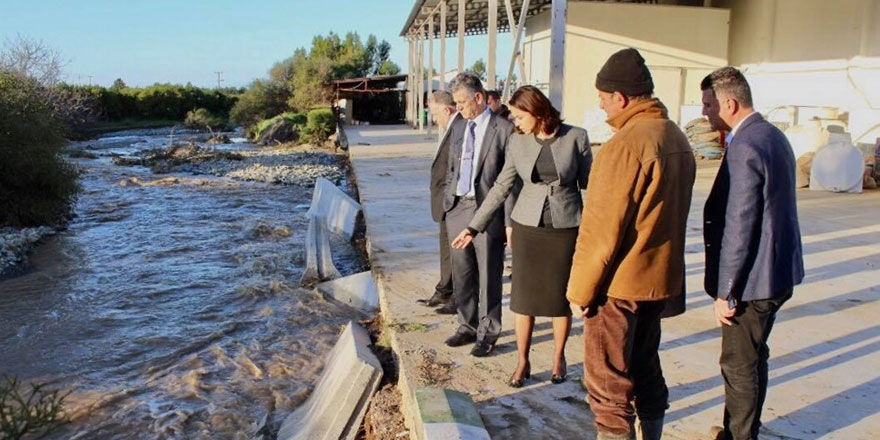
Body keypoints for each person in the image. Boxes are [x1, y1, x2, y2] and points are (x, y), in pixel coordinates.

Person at [566, 48, 695, 440]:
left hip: (618, 288)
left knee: (609, 387)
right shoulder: (674, 136)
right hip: (656, 281)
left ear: (620, 98)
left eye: (603, 99)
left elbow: (601, 231)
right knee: (645, 369)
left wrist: (581, 290)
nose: (602, 108)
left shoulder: (624, 146)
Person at [451, 85, 591, 387]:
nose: (515, 122)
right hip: (527, 226)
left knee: (559, 297)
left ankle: (558, 358)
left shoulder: (576, 137)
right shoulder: (517, 142)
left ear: (536, 111)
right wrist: (473, 226)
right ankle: (523, 361)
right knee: (523, 298)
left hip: (565, 227)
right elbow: (501, 187)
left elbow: (589, 185)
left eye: (518, 116)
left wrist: (594, 231)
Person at [701, 67, 804, 440]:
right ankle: (740, 429)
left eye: (709, 105)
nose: (706, 113)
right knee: (755, 356)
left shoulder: (744, 146)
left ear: (729, 103)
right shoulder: (772, 135)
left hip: (752, 280)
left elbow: (740, 224)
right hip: (777, 272)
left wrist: (726, 290)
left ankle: (739, 435)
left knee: (738, 364)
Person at [441, 72, 515, 357]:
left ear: (479, 98)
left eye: (462, 102)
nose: (458, 108)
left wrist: (508, 221)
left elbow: (510, 181)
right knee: (463, 272)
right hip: (458, 206)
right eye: (456, 102)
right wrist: (450, 200)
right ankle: (467, 325)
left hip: (488, 209)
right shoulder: (459, 126)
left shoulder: (504, 129)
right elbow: (452, 166)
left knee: (489, 274)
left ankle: (488, 332)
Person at [418, 90, 461, 315]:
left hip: (452, 201)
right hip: (443, 201)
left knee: (456, 251)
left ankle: (457, 296)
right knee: (445, 248)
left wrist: (448, 197)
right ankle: (444, 288)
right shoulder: (448, 129)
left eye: (435, 114)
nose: (434, 120)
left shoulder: (459, 128)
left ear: (447, 109)